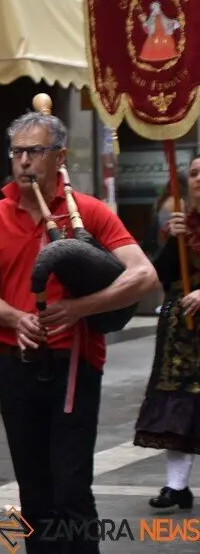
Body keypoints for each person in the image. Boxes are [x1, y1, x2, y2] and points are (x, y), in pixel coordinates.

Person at [0, 109, 157, 552]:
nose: (23, 161)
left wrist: (79, 308)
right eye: (16, 151)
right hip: (17, 366)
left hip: (74, 365)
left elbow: (144, 276)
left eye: (34, 151)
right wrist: (17, 318)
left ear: (59, 158)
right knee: (34, 491)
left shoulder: (89, 211)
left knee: (71, 487)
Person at [134, 153, 200, 511]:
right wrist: (171, 243)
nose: (198, 179)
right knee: (180, 405)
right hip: (182, 333)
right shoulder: (177, 224)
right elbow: (158, 274)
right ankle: (176, 486)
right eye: (193, 173)